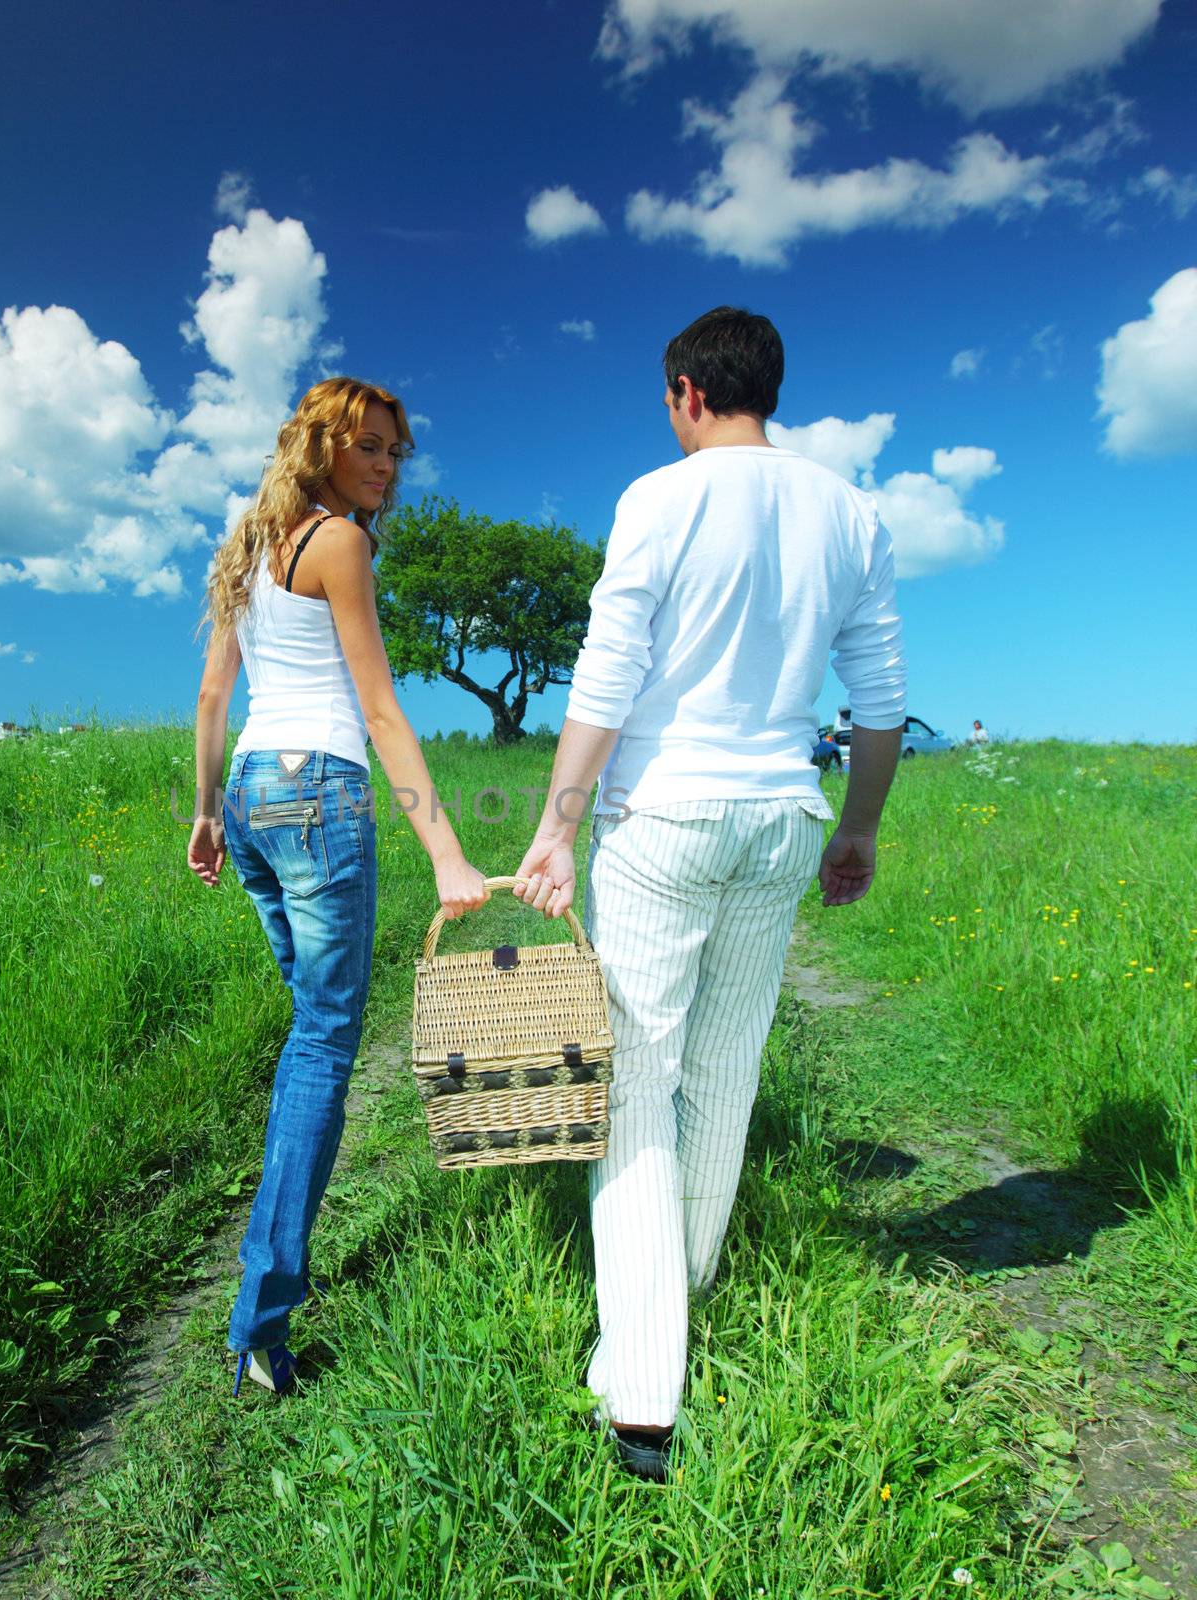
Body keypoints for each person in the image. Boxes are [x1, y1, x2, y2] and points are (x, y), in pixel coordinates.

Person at [512, 306, 906, 1479]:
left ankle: (641, 1391)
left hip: (663, 818)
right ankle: (674, 1303)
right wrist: (862, 827)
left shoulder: (658, 497)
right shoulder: (849, 511)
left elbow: (609, 671)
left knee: (635, 1085)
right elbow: (880, 693)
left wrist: (552, 830)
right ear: (763, 389)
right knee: (723, 1076)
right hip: (780, 817)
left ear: (686, 391)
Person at [187, 376, 489, 1398]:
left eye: (397, 450)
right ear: (319, 444)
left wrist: (204, 807)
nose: (387, 466)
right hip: (315, 789)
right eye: (369, 446)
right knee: (323, 1043)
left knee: (309, 1031)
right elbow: (379, 706)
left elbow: (215, 692)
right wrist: (447, 850)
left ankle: (263, 1282)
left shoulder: (249, 543)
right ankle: (261, 1325)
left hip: (252, 795)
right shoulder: (338, 544)